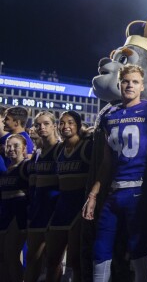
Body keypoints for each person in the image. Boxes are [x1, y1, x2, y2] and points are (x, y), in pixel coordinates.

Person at [82, 64, 147, 282]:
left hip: (141, 190)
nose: (129, 85)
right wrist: (94, 194)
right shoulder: (109, 115)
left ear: (142, 86)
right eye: (126, 81)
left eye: (134, 82)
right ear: (119, 84)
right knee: (100, 247)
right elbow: (107, 162)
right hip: (114, 191)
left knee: (139, 247)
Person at [45, 111, 93, 282]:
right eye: (62, 123)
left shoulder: (87, 146)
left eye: (70, 122)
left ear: (78, 125)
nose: (66, 126)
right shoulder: (59, 150)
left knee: (75, 260)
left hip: (79, 207)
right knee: (51, 259)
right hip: (61, 207)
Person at [24, 111, 61, 282]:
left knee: (53, 260)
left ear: (54, 126)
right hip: (38, 209)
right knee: (32, 257)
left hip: (54, 209)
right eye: (38, 124)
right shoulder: (37, 153)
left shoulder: (61, 149)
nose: (41, 127)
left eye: (46, 123)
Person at [0, 134, 30, 282]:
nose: (11, 149)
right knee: (2, 257)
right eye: (8, 146)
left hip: (18, 216)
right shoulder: (6, 170)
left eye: (16, 146)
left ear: (24, 148)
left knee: (11, 254)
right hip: (4, 214)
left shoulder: (26, 166)